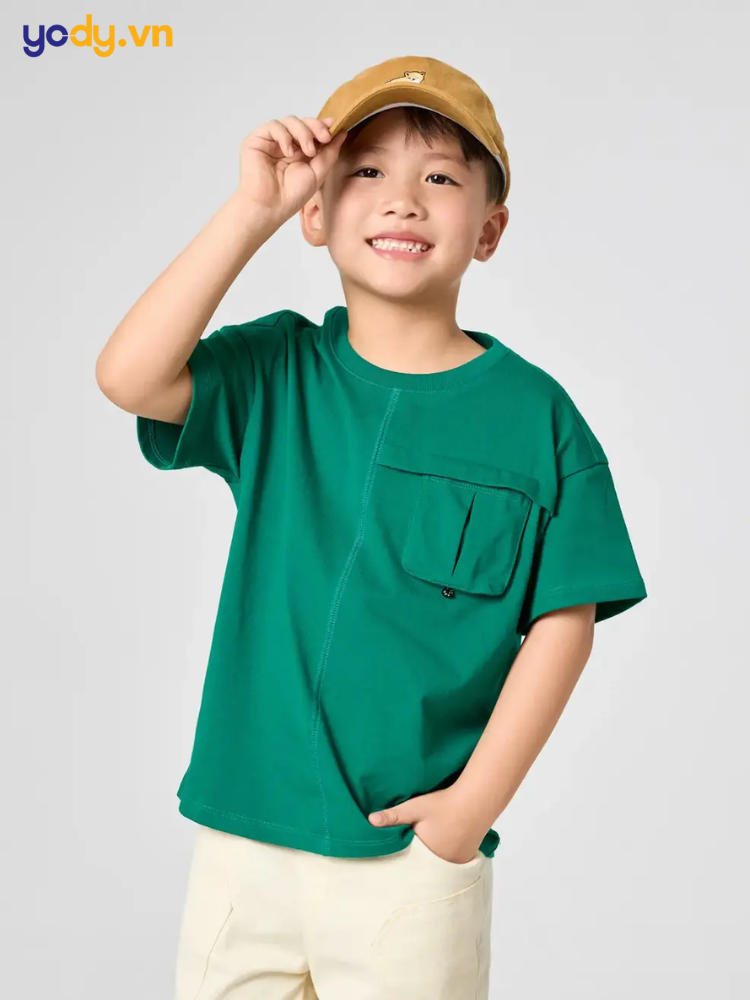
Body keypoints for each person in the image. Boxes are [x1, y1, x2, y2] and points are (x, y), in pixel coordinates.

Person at [96, 54, 647, 1000]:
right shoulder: (277, 373)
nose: (402, 199)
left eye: (440, 178)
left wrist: (466, 814)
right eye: (365, 171)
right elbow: (129, 376)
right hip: (244, 839)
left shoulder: (536, 419)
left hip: (407, 860)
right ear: (316, 213)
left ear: (490, 229)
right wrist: (252, 213)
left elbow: (566, 619)